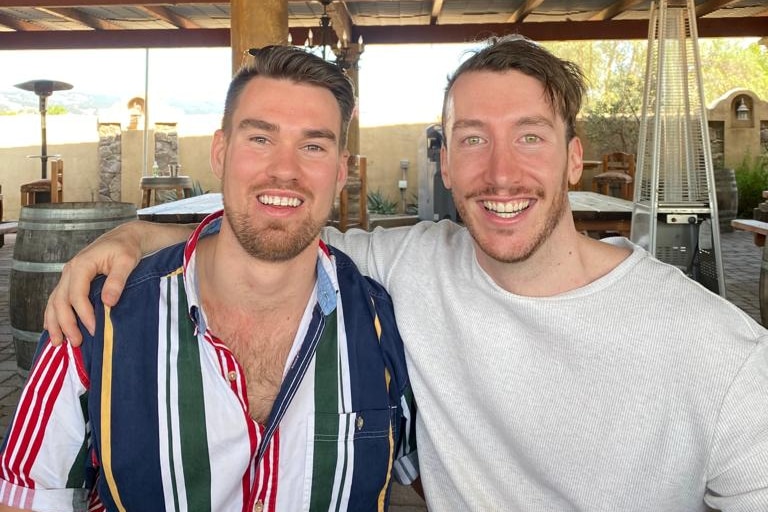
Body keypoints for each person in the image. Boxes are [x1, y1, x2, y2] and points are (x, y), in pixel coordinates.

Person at [44, 35, 768, 511]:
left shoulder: (719, 352)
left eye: (531, 138)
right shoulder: (409, 268)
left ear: (573, 160)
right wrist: (136, 237)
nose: (501, 172)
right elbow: (275, 236)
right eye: (472, 141)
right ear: (445, 164)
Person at [0, 45, 417, 512]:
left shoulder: (384, 324)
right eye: (260, 138)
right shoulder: (97, 317)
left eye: (313, 146)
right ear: (220, 152)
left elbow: (432, 476)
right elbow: (26, 496)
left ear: (340, 171)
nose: (285, 169)